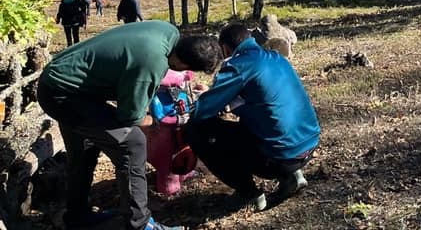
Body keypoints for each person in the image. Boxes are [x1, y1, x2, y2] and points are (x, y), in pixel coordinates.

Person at [37, 21, 221, 230]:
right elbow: (130, 116)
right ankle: (140, 225)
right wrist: (154, 121)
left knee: (85, 149)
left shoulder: (167, 31)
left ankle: (76, 216)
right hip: (64, 95)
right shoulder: (151, 63)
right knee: (132, 143)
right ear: (184, 65)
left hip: (63, 81)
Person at [185, 23, 320, 212]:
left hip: (278, 158)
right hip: (309, 144)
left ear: (225, 48)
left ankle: (249, 193)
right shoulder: (276, 58)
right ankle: (293, 175)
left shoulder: (238, 65)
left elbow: (202, 110)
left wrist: (205, 98)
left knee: (195, 130)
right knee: (268, 118)